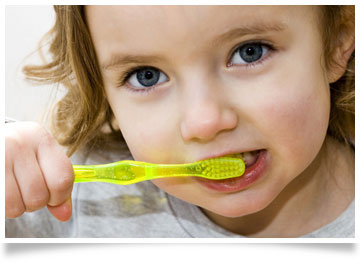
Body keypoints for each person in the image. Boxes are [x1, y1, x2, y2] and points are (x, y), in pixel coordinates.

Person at [5, 5, 355, 238]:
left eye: (250, 51)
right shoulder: (73, 198)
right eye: (146, 76)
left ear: (338, 40)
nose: (204, 122)